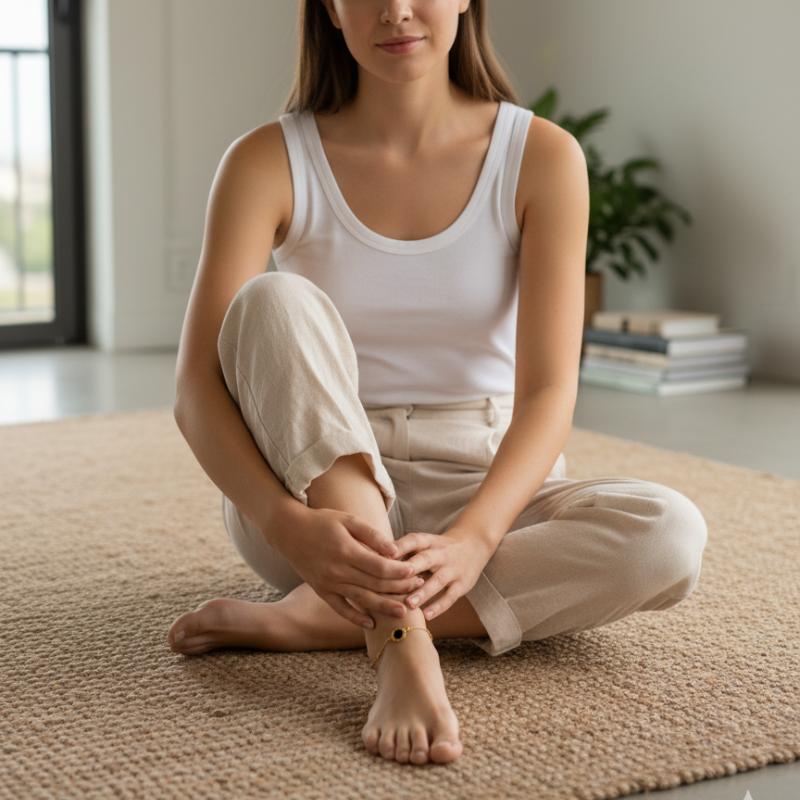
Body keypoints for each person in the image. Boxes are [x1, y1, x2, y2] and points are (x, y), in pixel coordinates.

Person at [167, 0, 708, 768]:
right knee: (270, 299)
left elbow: (551, 391)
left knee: (669, 536)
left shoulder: (541, 156)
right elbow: (195, 387)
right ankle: (398, 643)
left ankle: (322, 620)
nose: (395, 10)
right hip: (316, 511)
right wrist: (286, 526)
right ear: (329, 5)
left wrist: (476, 537)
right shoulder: (266, 158)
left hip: (482, 492)